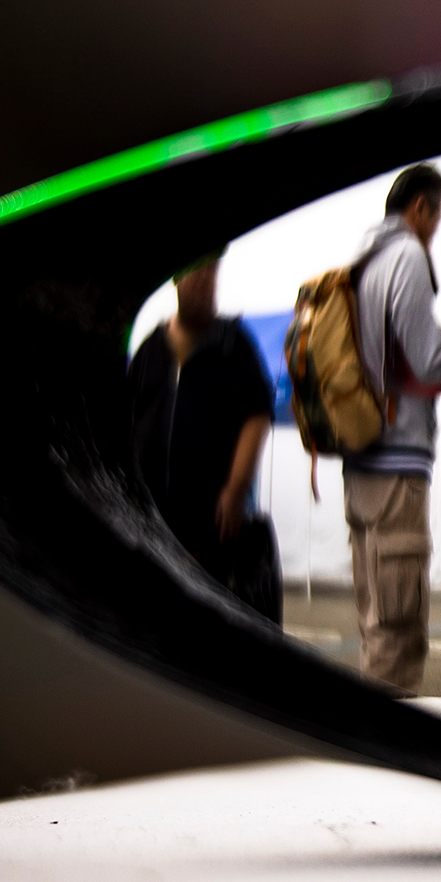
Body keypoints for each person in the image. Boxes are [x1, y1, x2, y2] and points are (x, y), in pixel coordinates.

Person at [344, 164, 441, 693]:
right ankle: (386, 755)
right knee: (399, 629)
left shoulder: (366, 260)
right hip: (396, 462)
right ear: (421, 207)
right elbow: (428, 365)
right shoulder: (406, 256)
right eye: (437, 216)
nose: (435, 229)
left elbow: (400, 352)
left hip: (361, 462)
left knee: (374, 617)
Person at [126, 251, 280, 620]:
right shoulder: (150, 351)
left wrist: (237, 486)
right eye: (198, 272)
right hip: (153, 522)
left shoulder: (232, 344)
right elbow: (127, 423)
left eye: (213, 271)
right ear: (177, 280)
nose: (207, 281)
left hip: (211, 526)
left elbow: (257, 415)